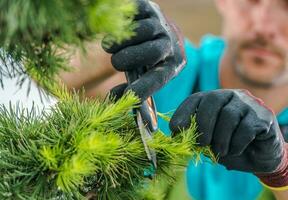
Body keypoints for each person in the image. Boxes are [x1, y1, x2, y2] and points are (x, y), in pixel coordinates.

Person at [61, 0, 288, 199]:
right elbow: (49, 79)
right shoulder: (163, 70)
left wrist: (281, 172)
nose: (262, 26)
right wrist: (119, 34)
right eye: (252, 0)